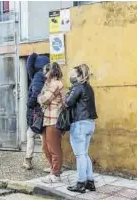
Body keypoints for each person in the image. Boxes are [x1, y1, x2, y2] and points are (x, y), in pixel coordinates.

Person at [65, 64, 97, 193]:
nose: (70, 76)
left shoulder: (77, 87)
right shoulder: (89, 87)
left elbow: (67, 103)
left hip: (80, 124)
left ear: (78, 75)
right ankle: (90, 182)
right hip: (90, 123)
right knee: (85, 154)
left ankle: (81, 183)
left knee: (80, 155)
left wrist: (65, 95)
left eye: (73, 73)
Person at [38, 62, 66, 183]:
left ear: (51, 72)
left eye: (46, 71)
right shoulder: (50, 83)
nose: (44, 74)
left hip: (54, 119)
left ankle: (55, 174)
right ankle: (53, 170)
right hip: (47, 119)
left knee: (54, 148)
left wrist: (40, 97)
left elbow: (43, 99)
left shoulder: (55, 83)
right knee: (45, 147)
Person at [23, 53, 50, 170]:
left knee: (35, 135)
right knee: (37, 135)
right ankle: (28, 160)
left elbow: (36, 93)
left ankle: (29, 161)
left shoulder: (38, 76)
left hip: (37, 113)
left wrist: (29, 103)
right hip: (43, 112)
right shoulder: (46, 76)